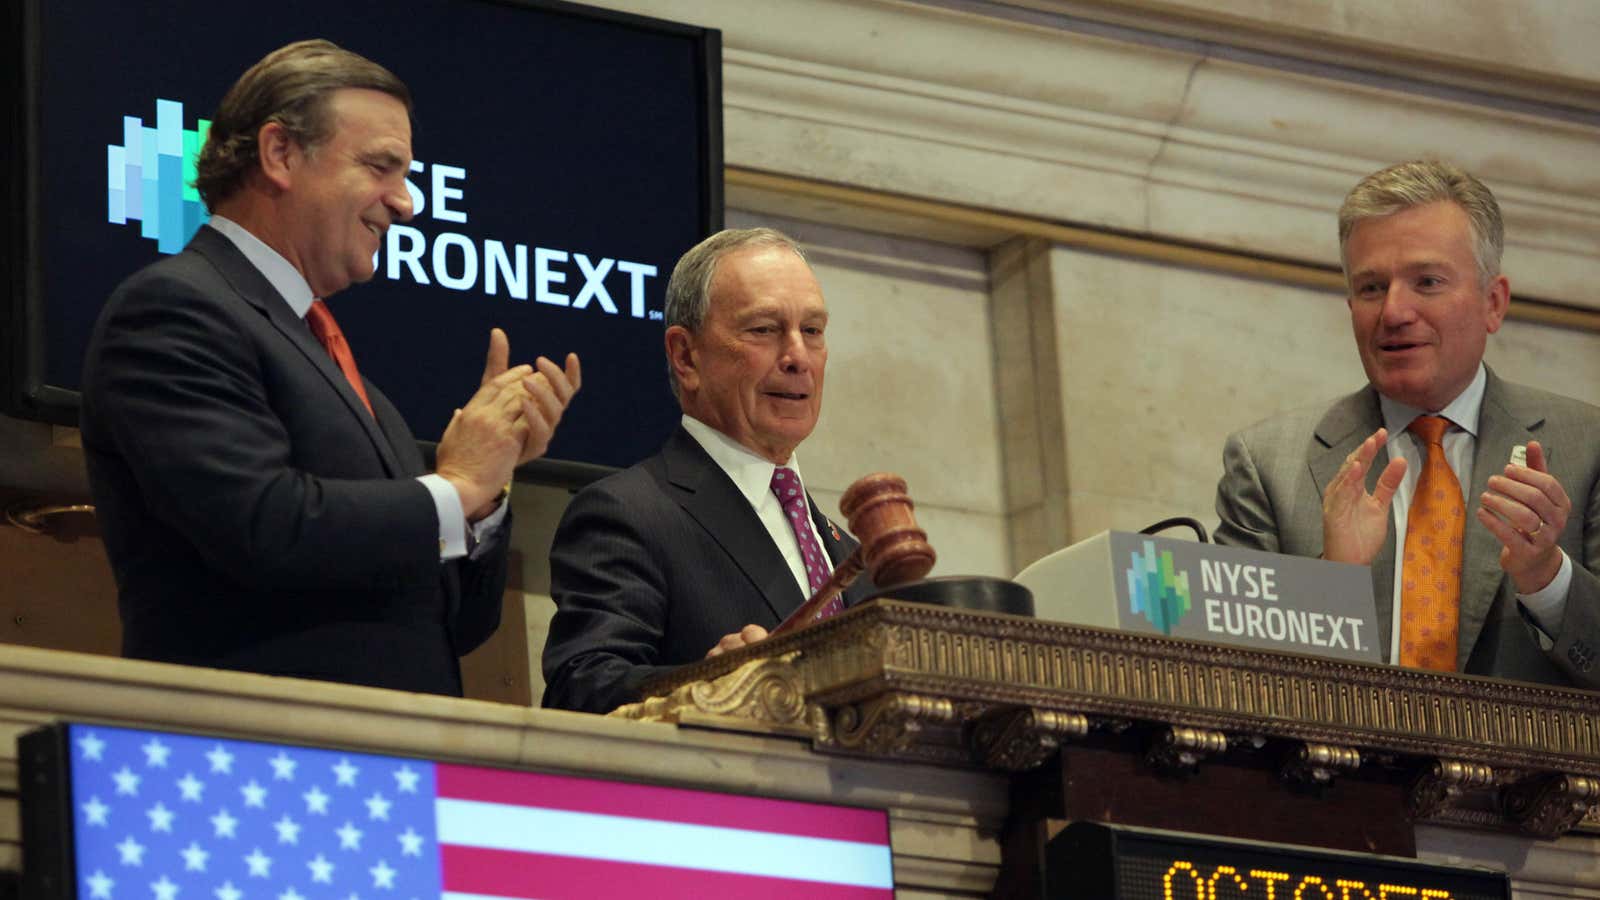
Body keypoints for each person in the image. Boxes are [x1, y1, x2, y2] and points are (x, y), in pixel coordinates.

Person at [80, 40, 580, 696]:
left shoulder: (358, 385)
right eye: (381, 167)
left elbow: (450, 625)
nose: (406, 203)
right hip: (255, 756)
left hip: (392, 766)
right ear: (280, 153)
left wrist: (486, 494)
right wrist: (455, 486)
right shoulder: (176, 308)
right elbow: (263, 526)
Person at [1214, 159, 1598, 689]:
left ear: (1493, 303)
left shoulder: (1588, 450)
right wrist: (1330, 584)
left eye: (1428, 282)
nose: (1394, 311)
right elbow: (1227, 682)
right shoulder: (1266, 464)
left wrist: (1545, 577)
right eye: (1371, 288)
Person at [542, 227, 872, 714]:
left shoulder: (850, 555)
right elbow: (583, 688)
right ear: (685, 355)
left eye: (813, 331)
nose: (798, 357)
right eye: (764, 329)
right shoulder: (629, 513)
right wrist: (709, 687)